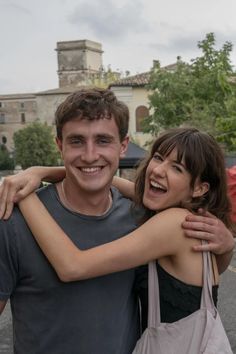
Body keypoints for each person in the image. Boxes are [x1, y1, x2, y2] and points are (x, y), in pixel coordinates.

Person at [0, 88, 234, 353]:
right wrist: (41, 172)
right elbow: (107, 178)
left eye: (177, 168)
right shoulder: (159, 212)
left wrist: (24, 193)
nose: (158, 170)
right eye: (158, 158)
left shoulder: (170, 223)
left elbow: (72, 266)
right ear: (60, 145)